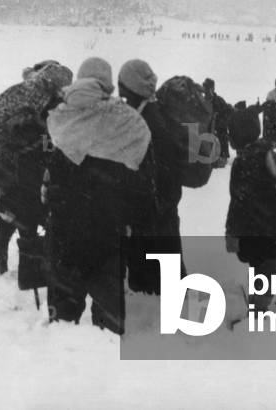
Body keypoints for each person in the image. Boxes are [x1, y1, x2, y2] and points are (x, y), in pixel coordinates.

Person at [44, 57, 155, 334]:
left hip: (65, 235)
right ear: (108, 86)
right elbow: (144, 188)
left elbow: (50, 183)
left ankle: (63, 365)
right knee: (108, 328)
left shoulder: (61, 120)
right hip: (108, 234)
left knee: (62, 325)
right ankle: (105, 369)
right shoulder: (129, 123)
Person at [224, 100, 276, 316]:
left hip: (265, 241)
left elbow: (238, 203)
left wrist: (232, 234)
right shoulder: (273, 154)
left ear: (236, 138)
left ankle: (256, 317)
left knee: (263, 284)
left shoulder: (242, 165)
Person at [120, 59, 184, 295]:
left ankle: (164, 313)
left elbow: (160, 168)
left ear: (133, 88)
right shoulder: (153, 113)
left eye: (122, 86)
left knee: (156, 273)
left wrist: (148, 202)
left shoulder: (148, 121)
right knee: (166, 260)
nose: (120, 92)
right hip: (159, 208)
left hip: (153, 209)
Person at [201, 78, 232, 167]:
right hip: (206, 139)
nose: (206, 90)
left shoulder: (219, 101)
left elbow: (228, 114)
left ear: (213, 88)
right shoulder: (201, 102)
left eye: (207, 88)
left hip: (219, 138)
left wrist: (219, 122)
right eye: (205, 88)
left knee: (219, 166)